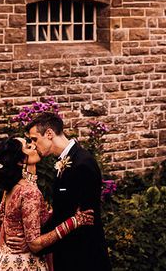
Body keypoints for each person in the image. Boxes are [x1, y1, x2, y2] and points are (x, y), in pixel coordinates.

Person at [0, 136, 94, 271]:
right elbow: (35, 244)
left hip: (5, 260)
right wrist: (74, 221)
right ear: (20, 161)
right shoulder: (29, 192)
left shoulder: (12, 188)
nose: (34, 146)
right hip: (23, 263)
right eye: (28, 146)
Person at [27, 113, 112, 271]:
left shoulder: (82, 163)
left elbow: (85, 218)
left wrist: (37, 244)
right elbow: (64, 212)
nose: (33, 145)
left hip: (83, 257)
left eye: (34, 139)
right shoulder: (66, 161)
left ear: (49, 134)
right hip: (68, 254)